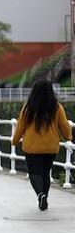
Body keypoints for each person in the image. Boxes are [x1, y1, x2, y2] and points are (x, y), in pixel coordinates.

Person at [11, 79, 71, 212]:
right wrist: (69, 137)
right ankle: (44, 196)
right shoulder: (56, 107)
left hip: (32, 147)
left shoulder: (28, 108)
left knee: (34, 172)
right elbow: (64, 127)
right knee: (45, 172)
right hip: (50, 147)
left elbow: (20, 127)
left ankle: (40, 195)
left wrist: (15, 141)